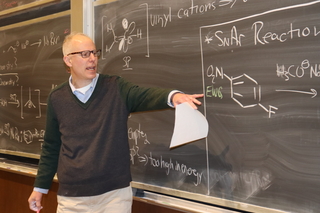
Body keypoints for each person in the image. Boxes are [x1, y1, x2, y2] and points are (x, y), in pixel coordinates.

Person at [28, 32, 203, 213]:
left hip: (114, 196)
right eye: (85, 54)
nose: (93, 59)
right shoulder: (57, 98)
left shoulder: (115, 87)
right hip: (72, 198)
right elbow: (51, 146)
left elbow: (144, 95)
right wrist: (39, 188)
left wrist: (173, 96)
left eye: (94, 53)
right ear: (68, 60)